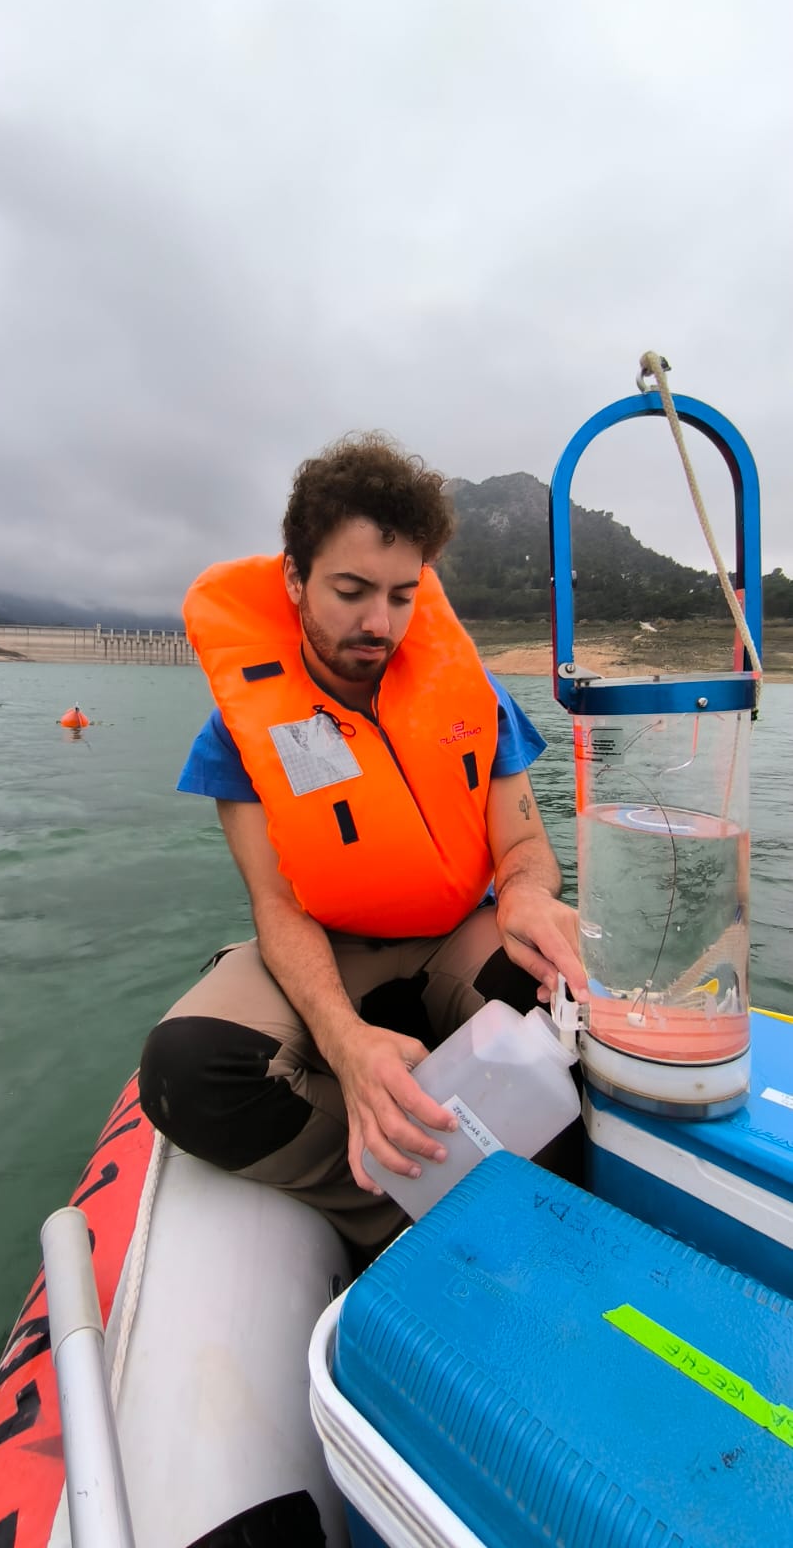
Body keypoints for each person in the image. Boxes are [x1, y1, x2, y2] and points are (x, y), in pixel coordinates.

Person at [139, 434, 587, 1259]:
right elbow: (276, 906)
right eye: (350, 591)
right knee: (186, 1072)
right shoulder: (241, 731)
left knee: (557, 1011)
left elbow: (524, 842)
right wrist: (344, 1044)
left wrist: (526, 892)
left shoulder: (471, 695)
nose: (379, 624)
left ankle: (503, 1198)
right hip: (326, 944)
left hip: (454, 932)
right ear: (295, 578)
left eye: (402, 596)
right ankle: (402, 1205)